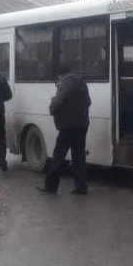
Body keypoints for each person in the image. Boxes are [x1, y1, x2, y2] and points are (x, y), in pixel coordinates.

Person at [41, 63, 91, 195]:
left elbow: (57, 102)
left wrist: (52, 108)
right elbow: (88, 102)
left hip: (68, 126)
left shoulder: (65, 83)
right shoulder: (81, 82)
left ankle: (51, 187)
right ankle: (81, 186)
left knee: (58, 156)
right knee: (79, 156)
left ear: (60, 74)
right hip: (82, 124)